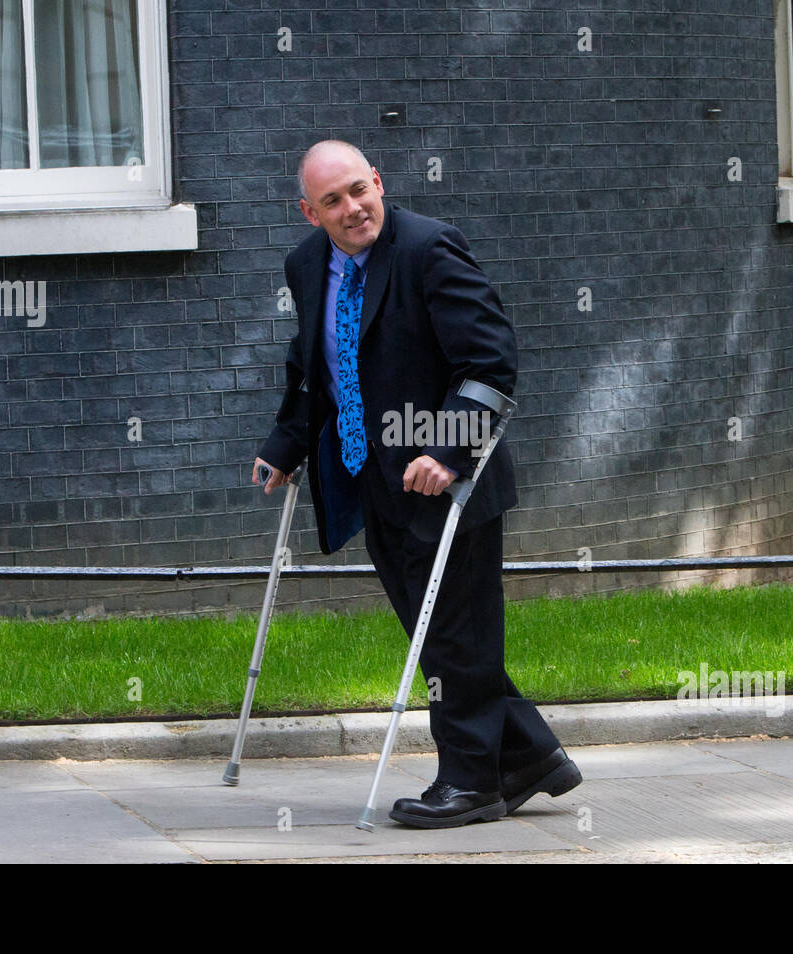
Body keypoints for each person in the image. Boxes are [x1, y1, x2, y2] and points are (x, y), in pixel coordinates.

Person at [252, 140, 581, 828]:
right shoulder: (307, 264)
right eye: (332, 201)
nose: (352, 209)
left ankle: (471, 783)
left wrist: (448, 450)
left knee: (457, 635)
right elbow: (311, 364)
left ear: (377, 181)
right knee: (434, 635)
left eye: (357, 190)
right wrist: (286, 446)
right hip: (371, 480)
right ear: (308, 213)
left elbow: (491, 362)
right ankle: (528, 755)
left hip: (446, 483)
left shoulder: (429, 249)